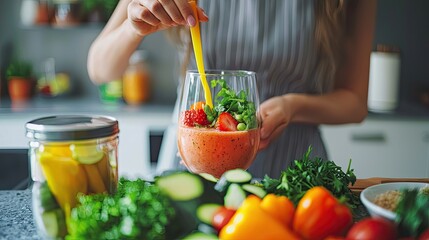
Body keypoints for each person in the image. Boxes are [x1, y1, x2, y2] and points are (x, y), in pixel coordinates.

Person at [87, 0, 377, 179]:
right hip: (193, 161)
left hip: (291, 167)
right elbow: (100, 68)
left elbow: (354, 102)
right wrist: (133, 27)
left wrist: (292, 106)